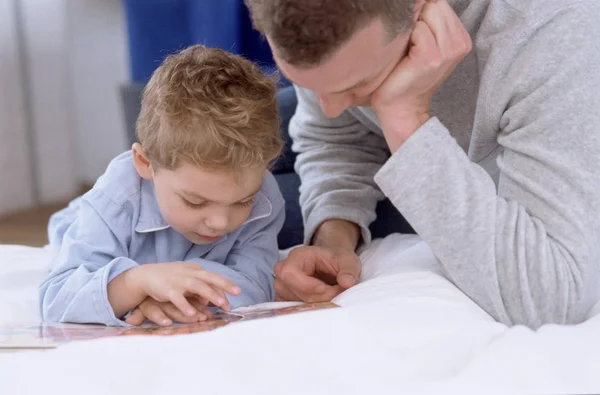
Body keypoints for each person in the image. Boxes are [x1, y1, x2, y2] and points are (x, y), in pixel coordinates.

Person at [244, 0, 600, 328]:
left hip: (497, 150)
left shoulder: (555, 32)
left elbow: (553, 299)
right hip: (424, 134)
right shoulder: (326, 34)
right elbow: (335, 133)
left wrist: (406, 119)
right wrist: (333, 236)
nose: (332, 107)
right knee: (209, 156)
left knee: (242, 216)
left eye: (361, 84)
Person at [39, 45, 285, 327]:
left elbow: (255, 285)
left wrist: (175, 291)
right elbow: (56, 297)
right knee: (67, 229)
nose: (220, 222)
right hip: (78, 220)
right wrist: (137, 284)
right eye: (195, 202)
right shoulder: (116, 198)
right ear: (145, 163)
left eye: (243, 202)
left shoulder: (263, 195)